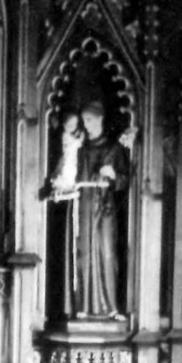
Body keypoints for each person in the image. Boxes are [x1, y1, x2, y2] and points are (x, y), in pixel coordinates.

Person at [64, 101, 128, 318]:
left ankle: (111, 307)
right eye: (84, 121)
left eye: (90, 120)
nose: (86, 125)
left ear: (100, 119)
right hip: (83, 205)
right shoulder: (80, 148)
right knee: (84, 253)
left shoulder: (113, 149)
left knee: (107, 253)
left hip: (105, 205)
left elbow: (126, 180)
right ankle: (83, 307)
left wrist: (112, 175)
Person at [50, 110, 84, 199]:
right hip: (66, 157)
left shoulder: (72, 134)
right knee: (64, 170)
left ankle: (67, 188)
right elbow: (72, 143)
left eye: (74, 125)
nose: (72, 127)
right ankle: (61, 189)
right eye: (69, 125)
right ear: (64, 125)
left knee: (71, 171)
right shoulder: (65, 135)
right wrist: (79, 139)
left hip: (71, 158)